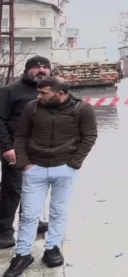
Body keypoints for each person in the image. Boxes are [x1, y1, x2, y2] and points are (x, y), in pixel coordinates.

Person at [3, 76, 98, 277]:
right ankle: (22, 254)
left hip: (65, 168)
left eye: (44, 93)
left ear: (61, 94)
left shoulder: (82, 109)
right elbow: (21, 136)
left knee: (58, 210)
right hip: (35, 168)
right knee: (29, 213)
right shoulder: (33, 108)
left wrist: (74, 162)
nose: (39, 96)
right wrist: (25, 163)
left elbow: (89, 136)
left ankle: (52, 248)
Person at [0, 56, 53, 249]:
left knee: (35, 189)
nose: (41, 70)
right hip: (16, 149)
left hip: (41, 149)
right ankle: (4, 231)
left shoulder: (50, 91)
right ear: (27, 69)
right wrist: (6, 147)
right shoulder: (10, 91)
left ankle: (32, 222)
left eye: (45, 67)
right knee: (12, 189)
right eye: (36, 67)